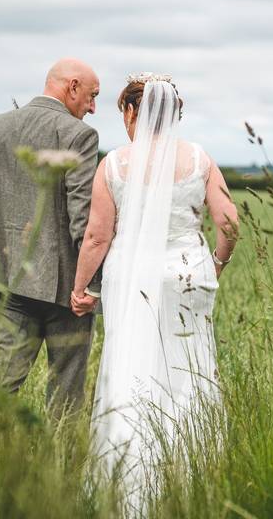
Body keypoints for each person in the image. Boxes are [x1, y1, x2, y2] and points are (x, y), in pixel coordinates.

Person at [70, 73, 239, 512]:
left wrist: (81, 287)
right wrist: (215, 263)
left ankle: (128, 483)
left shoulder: (116, 164)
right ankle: (193, 479)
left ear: (131, 113)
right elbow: (229, 222)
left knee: (132, 367)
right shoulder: (200, 159)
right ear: (174, 114)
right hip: (188, 273)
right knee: (190, 367)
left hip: (131, 275)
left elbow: (96, 235)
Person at [0, 57, 102, 418]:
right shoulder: (79, 135)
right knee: (65, 398)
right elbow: (82, 219)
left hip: (9, 282)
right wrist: (91, 286)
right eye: (92, 96)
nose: (93, 108)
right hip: (67, 290)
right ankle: (61, 471)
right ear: (72, 88)